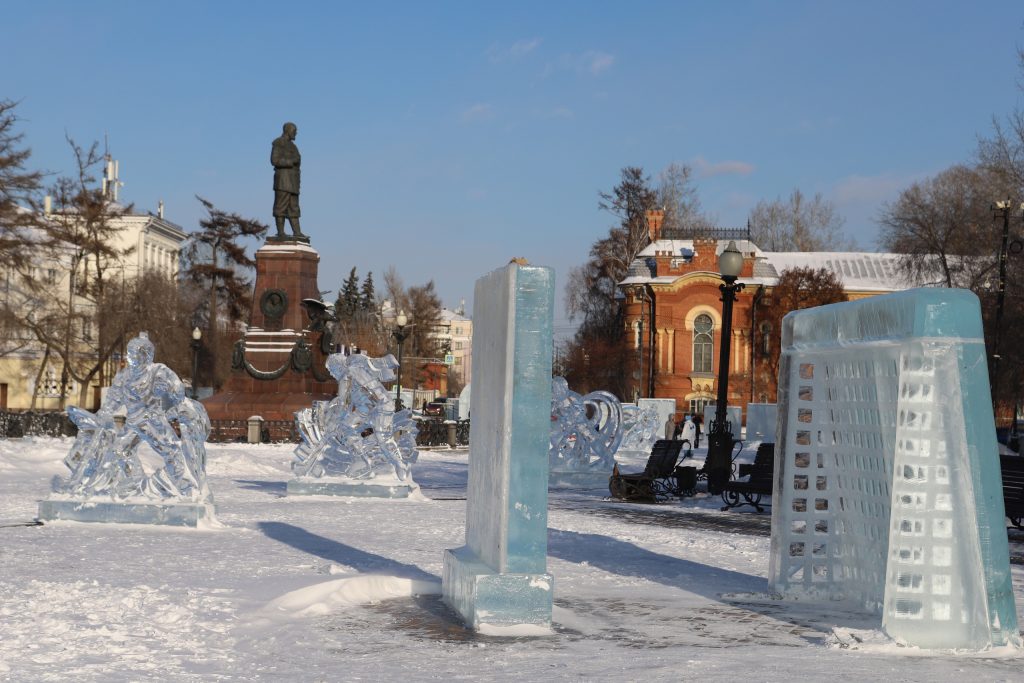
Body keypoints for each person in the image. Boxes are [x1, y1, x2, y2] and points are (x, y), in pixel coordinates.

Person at [271, 122, 305, 239]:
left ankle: (297, 232)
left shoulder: (293, 146)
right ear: (288, 130)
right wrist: (290, 161)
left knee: (294, 207)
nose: (296, 133)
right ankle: (281, 233)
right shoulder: (278, 142)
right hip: (283, 181)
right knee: (280, 206)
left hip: (294, 182)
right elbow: (274, 161)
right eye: (294, 130)